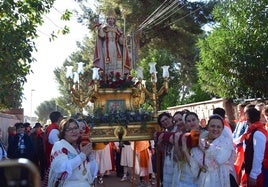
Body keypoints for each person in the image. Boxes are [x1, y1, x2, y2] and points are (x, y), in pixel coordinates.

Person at [182, 114, 237, 187]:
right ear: (207, 127)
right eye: (212, 126)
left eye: (218, 127)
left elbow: (217, 161)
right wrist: (185, 151)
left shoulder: (226, 142)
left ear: (222, 129)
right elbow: (195, 167)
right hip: (204, 181)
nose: (215, 129)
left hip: (222, 179)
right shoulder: (200, 141)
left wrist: (202, 147)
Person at [48, 118, 98, 187]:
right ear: (63, 132)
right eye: (69, 129)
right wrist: (82, 156)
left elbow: (91, 172)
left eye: (75, 128)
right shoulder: (59, 145)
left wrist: (90, 157)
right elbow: (62, 167)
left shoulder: (80, 146)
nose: (73, 131)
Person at [93, 10, 131, 76]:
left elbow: (121, 42)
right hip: (107, 46)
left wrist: (123, 38)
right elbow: (102, 35)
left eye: (112, 19)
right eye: (109, 19)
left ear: (114, 20)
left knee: (118, 61)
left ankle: (118, 77)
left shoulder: (117, 29)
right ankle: (108, 77)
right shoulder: (105, 28)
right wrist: (99, 28)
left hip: (116, 47)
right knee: (108, 61)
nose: (110, 20)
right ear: (107, 20)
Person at [242, 107, 268, 187]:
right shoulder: (254, 130)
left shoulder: (257, 133)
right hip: (257, 170)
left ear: (247, 119)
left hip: (261, 172)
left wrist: (253, 175)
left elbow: (258, 156)